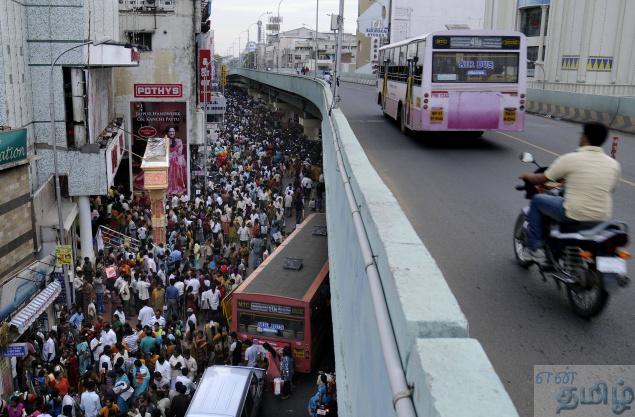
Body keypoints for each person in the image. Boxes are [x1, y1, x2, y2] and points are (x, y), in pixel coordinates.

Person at [520, 122, 621, 264]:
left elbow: (542, 178)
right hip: (602, 217)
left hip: (574, 213)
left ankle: (534, 250)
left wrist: (527, 176)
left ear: (585, 137)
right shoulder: (614, 164)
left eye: (581, 134)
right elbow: (610, 189)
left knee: (537, 200)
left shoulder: (571, 158)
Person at [167, 127, 187, 196]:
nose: (171, 133)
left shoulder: (179, 141)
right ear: (167, 132)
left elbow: (180, 152)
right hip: (168, 160)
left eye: (173, 131)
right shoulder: (165, 141)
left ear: (175, 132)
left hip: (175, 161)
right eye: (170, 131)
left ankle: (175, 187)